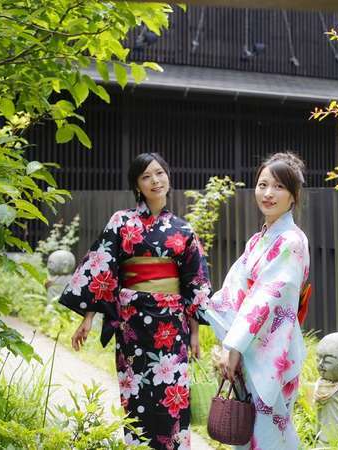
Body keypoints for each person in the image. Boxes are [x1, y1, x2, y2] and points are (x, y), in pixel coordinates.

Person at [58, 153, 211, 450]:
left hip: (171, 326)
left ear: (168, 177)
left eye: (160, 173)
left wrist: (195, 333)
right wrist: (87, 317)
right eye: (146, 176)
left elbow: (194, 282)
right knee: (137, 397)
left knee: (172, 399)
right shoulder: (121, 221)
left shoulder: (183, 229)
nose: (155, 181)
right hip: (133, 327)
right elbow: (102, 268)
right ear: (137, 185)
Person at [203, 152, 311, 450]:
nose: (268, 193)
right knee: (252, 430)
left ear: (293, 195)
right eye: (262, 184)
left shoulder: (291, 241)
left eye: (278, 187)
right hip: (252, 346)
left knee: (267, 431)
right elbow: (234, 287)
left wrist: (235, 344)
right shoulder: (258, 240)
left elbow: (267, 296)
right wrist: (230, 342)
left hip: (272, 349)